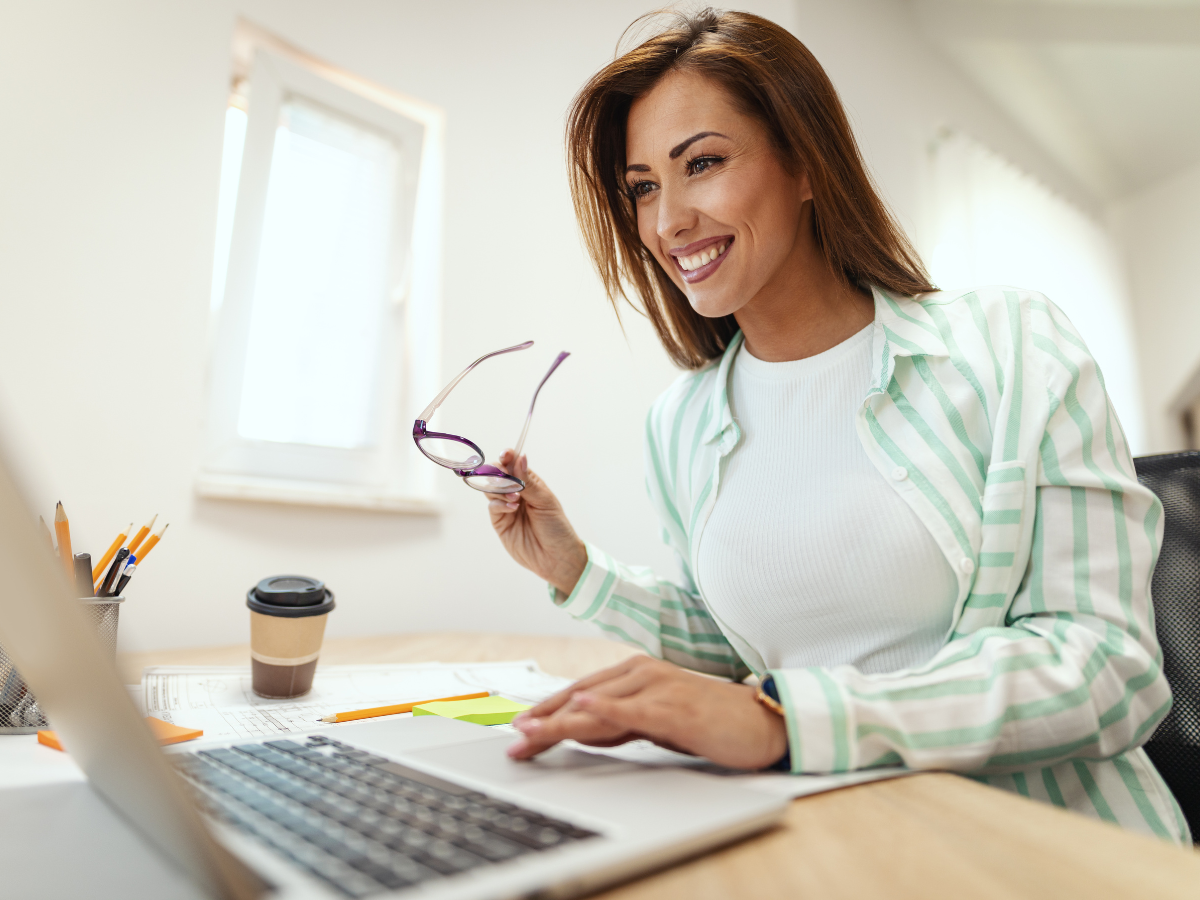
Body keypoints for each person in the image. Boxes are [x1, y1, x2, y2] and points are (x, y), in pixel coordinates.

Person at [484, 8, 1187, 842]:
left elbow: (1107, 666)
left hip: (1045, 842)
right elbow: (747, 643)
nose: (666, 222)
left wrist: (790, 721)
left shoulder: (1012, 343)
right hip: (824, 831)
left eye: (701, 163)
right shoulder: (683, 422)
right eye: (642, 187)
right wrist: (578, 570)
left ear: (805, 163)